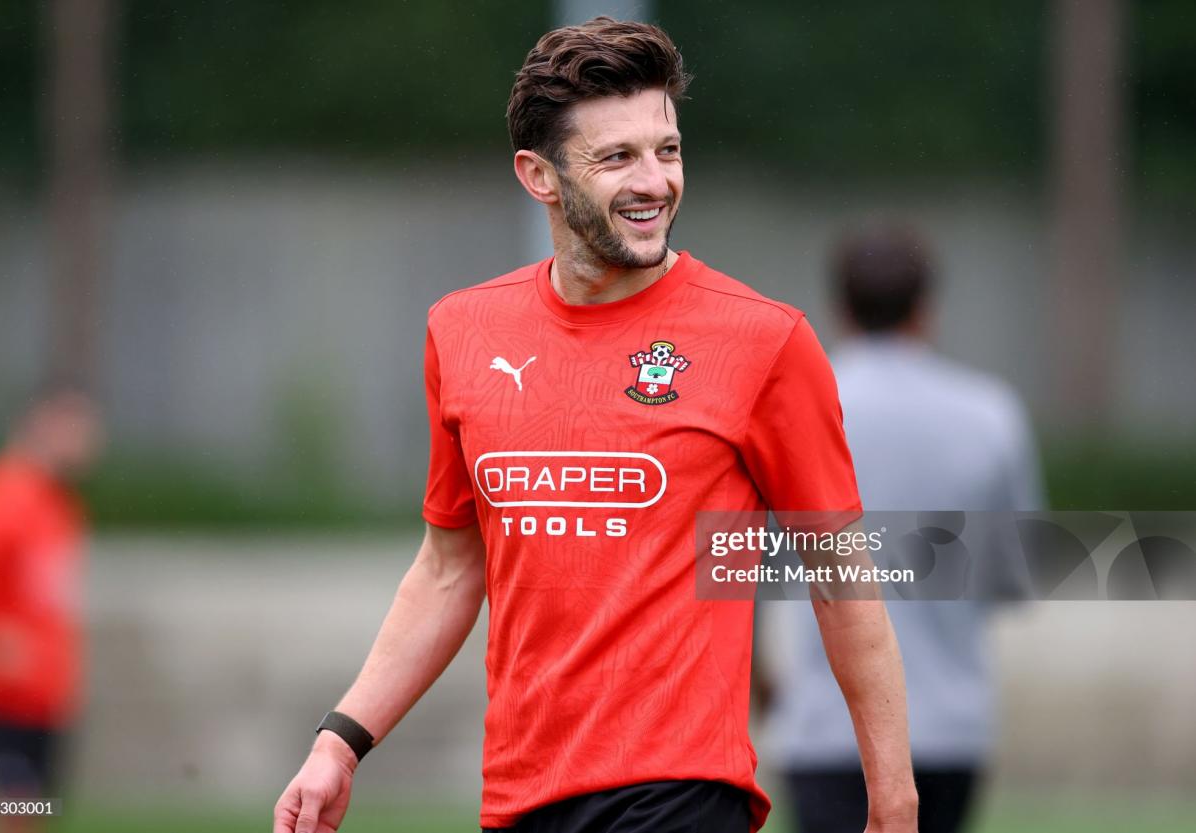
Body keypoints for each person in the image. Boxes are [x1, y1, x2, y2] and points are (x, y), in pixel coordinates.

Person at [274, 18, 918, 833]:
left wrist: (893, 796)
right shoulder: (462, 332)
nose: (655, 181)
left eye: (668, 150)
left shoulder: (765, 340)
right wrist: (340, 741)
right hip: (519, 799)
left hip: (681, 792)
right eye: (617, 158)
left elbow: (841, 578)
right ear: (538, 176)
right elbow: (447, 568)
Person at [759, 224, 1044, 833]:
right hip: (950, 727)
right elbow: (1013, 576)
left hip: (827, 723)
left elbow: (750, 570)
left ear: (839, 308)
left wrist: (760, 680)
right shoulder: (991, 416)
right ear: (926, 309)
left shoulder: (795, 404)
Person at [0, 382, 103, 830]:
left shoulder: (56, 502)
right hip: (9, 696)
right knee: (13, 814)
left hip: (48, 694)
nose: (90, 443)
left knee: (37, 814)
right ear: (47, 425)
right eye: (79, 428)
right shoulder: (3, 494)